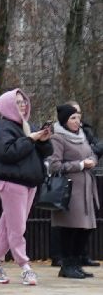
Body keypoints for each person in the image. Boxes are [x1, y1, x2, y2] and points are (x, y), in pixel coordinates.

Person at [0, 89, 53, 286]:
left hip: (28, 183)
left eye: (24, 102)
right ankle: (25, 266)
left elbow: (43, 153)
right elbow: (8, 153)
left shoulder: (24, 126)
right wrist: (30, 138)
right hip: (12, 183)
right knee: (17, 228)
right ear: (7, 106)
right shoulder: (3, 129)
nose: (23, 105)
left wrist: (42, 140)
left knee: (8, 226)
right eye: (18, 102)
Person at [49, 102, 98, 280]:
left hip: (86, 188)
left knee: (85, 228)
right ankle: (67, 264)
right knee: (71, 229)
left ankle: (76, 264)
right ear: (64, 120)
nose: (78, 121)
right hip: (69, 190)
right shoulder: (58, 138)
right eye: (73, 118)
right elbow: (54, 165)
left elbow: (90, 153)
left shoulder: (82, 135)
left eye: (78, 117)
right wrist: (80, 165)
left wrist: (92, 160)